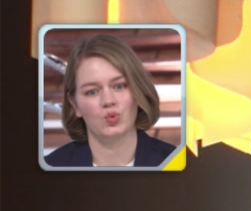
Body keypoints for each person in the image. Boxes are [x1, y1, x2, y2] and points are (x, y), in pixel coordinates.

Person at [44, 33, 177, 168]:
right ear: (75, 105)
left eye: (119, 86)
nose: (108, 101)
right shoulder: (50, 168)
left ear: (138, 91)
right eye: (92, 92)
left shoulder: (177, 162)